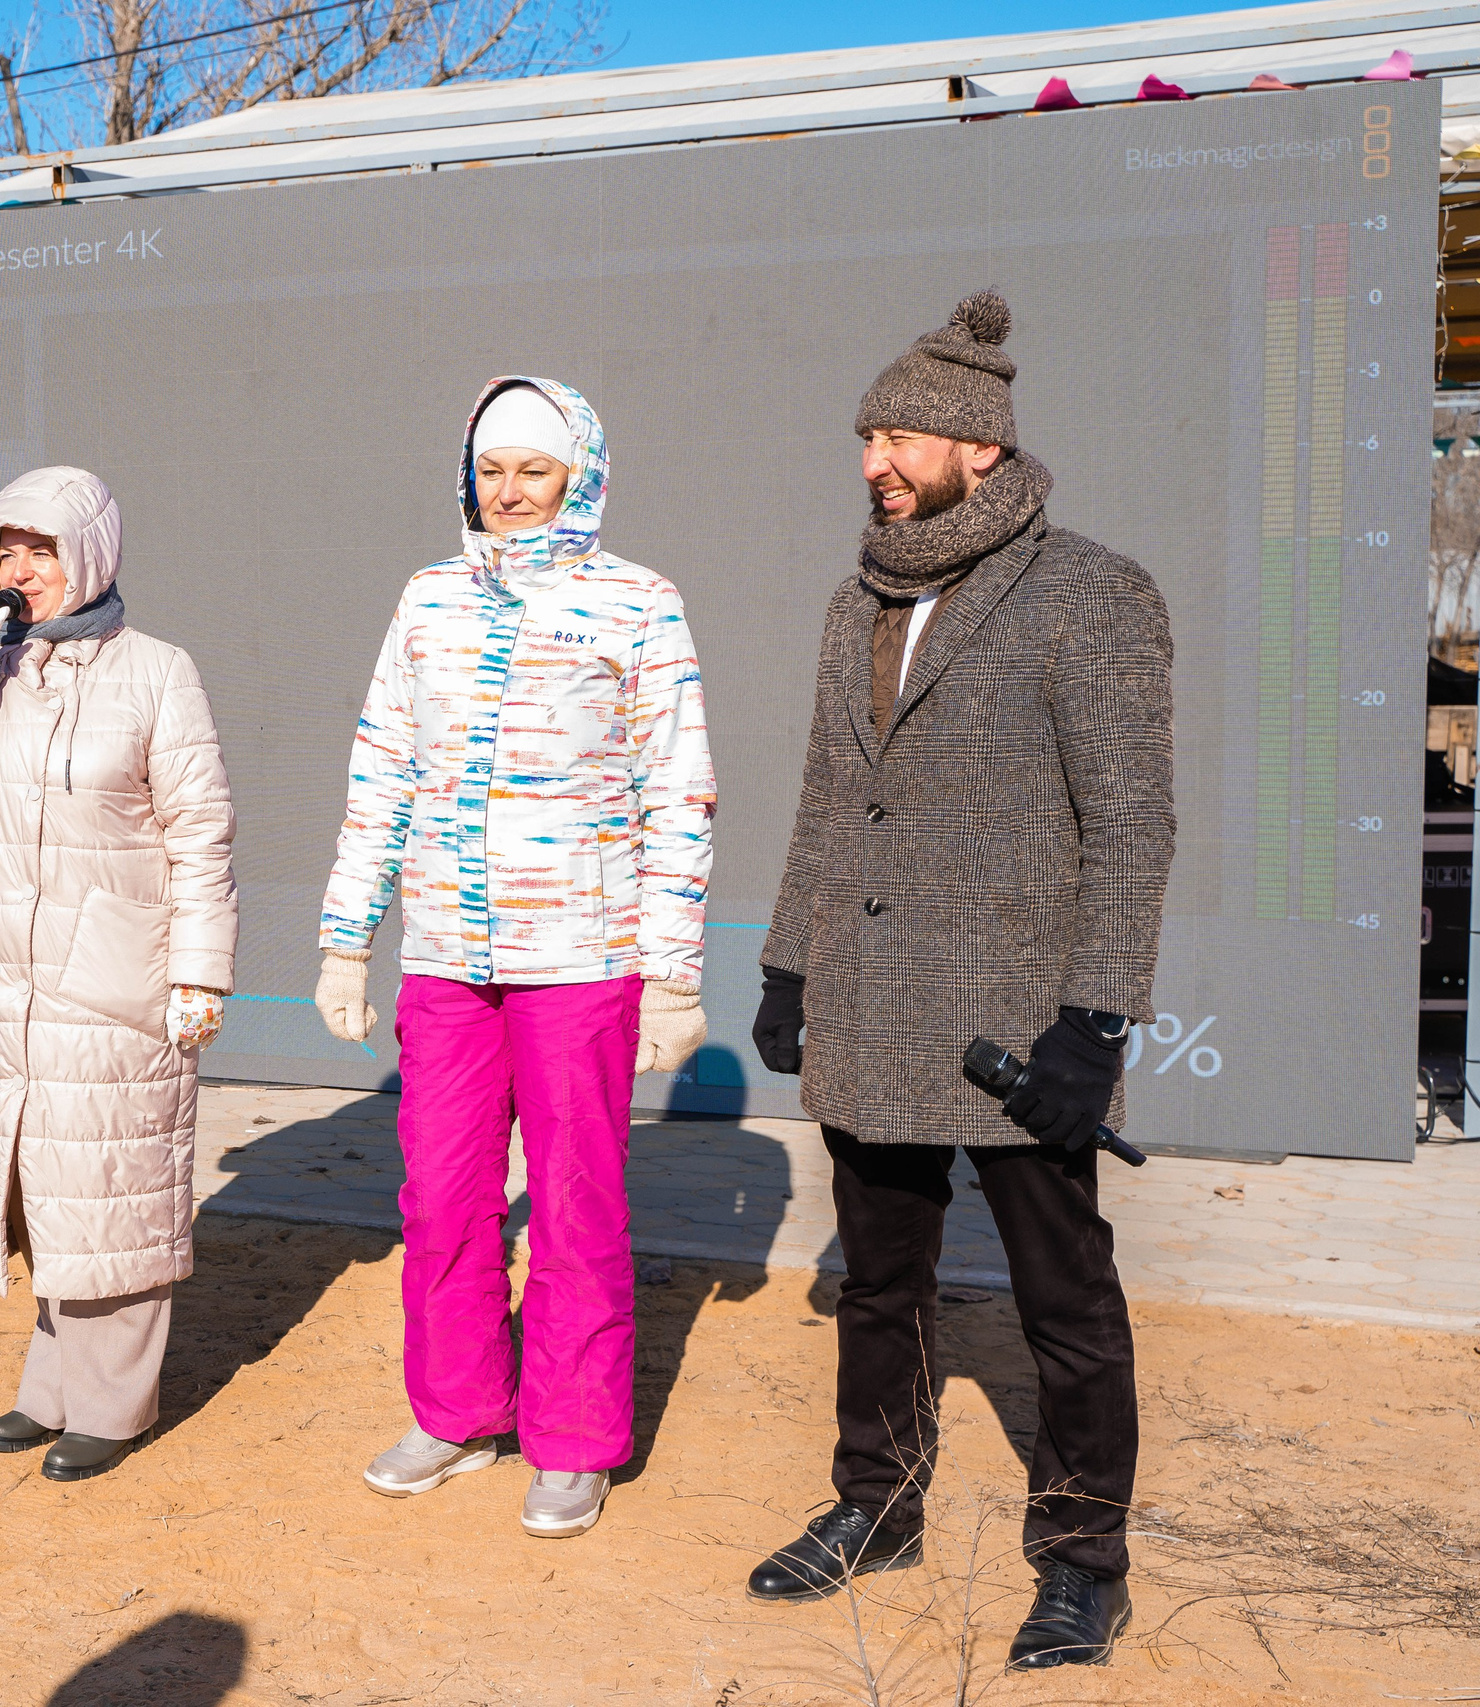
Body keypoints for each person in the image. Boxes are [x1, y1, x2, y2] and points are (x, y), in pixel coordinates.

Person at [746, 292, 1173, 1668]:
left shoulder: (1093, 591)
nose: (875, 455)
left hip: (1014, 1023)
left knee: (1065, 1299)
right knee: (881, 1282)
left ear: (979, 447)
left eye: (902, 433)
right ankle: (877, 1502)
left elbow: (1132, 821)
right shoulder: (856, 593)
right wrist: (789, 959)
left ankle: (1082, 1557)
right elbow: (830, 795)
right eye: (868, 431)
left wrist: (1094, 1018)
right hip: (872, 1004)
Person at [315, 377, 716, 1539]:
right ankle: (454, 1413)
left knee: (578, 1205)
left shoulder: (637, 603)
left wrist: (674, 972)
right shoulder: (427, 600)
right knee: (440, 1198)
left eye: (532, 470)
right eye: (492, 470)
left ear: (578, 476)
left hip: (581, 958)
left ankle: (575, 1439)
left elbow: (676, 793)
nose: (509, 492)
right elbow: (382, 768)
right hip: (445, 954)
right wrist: (349, 938)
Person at [0, 465, 238, 1483]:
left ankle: (113, 1405)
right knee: (42, 1189)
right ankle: (54, 1387)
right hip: (4, 976)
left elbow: (201, 833)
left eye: (41, 550)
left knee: (112, 1191)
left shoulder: (155, 670)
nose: (22, 570)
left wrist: (199, 975)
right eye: (5, 552)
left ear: (86, 554)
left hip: (118, 980)